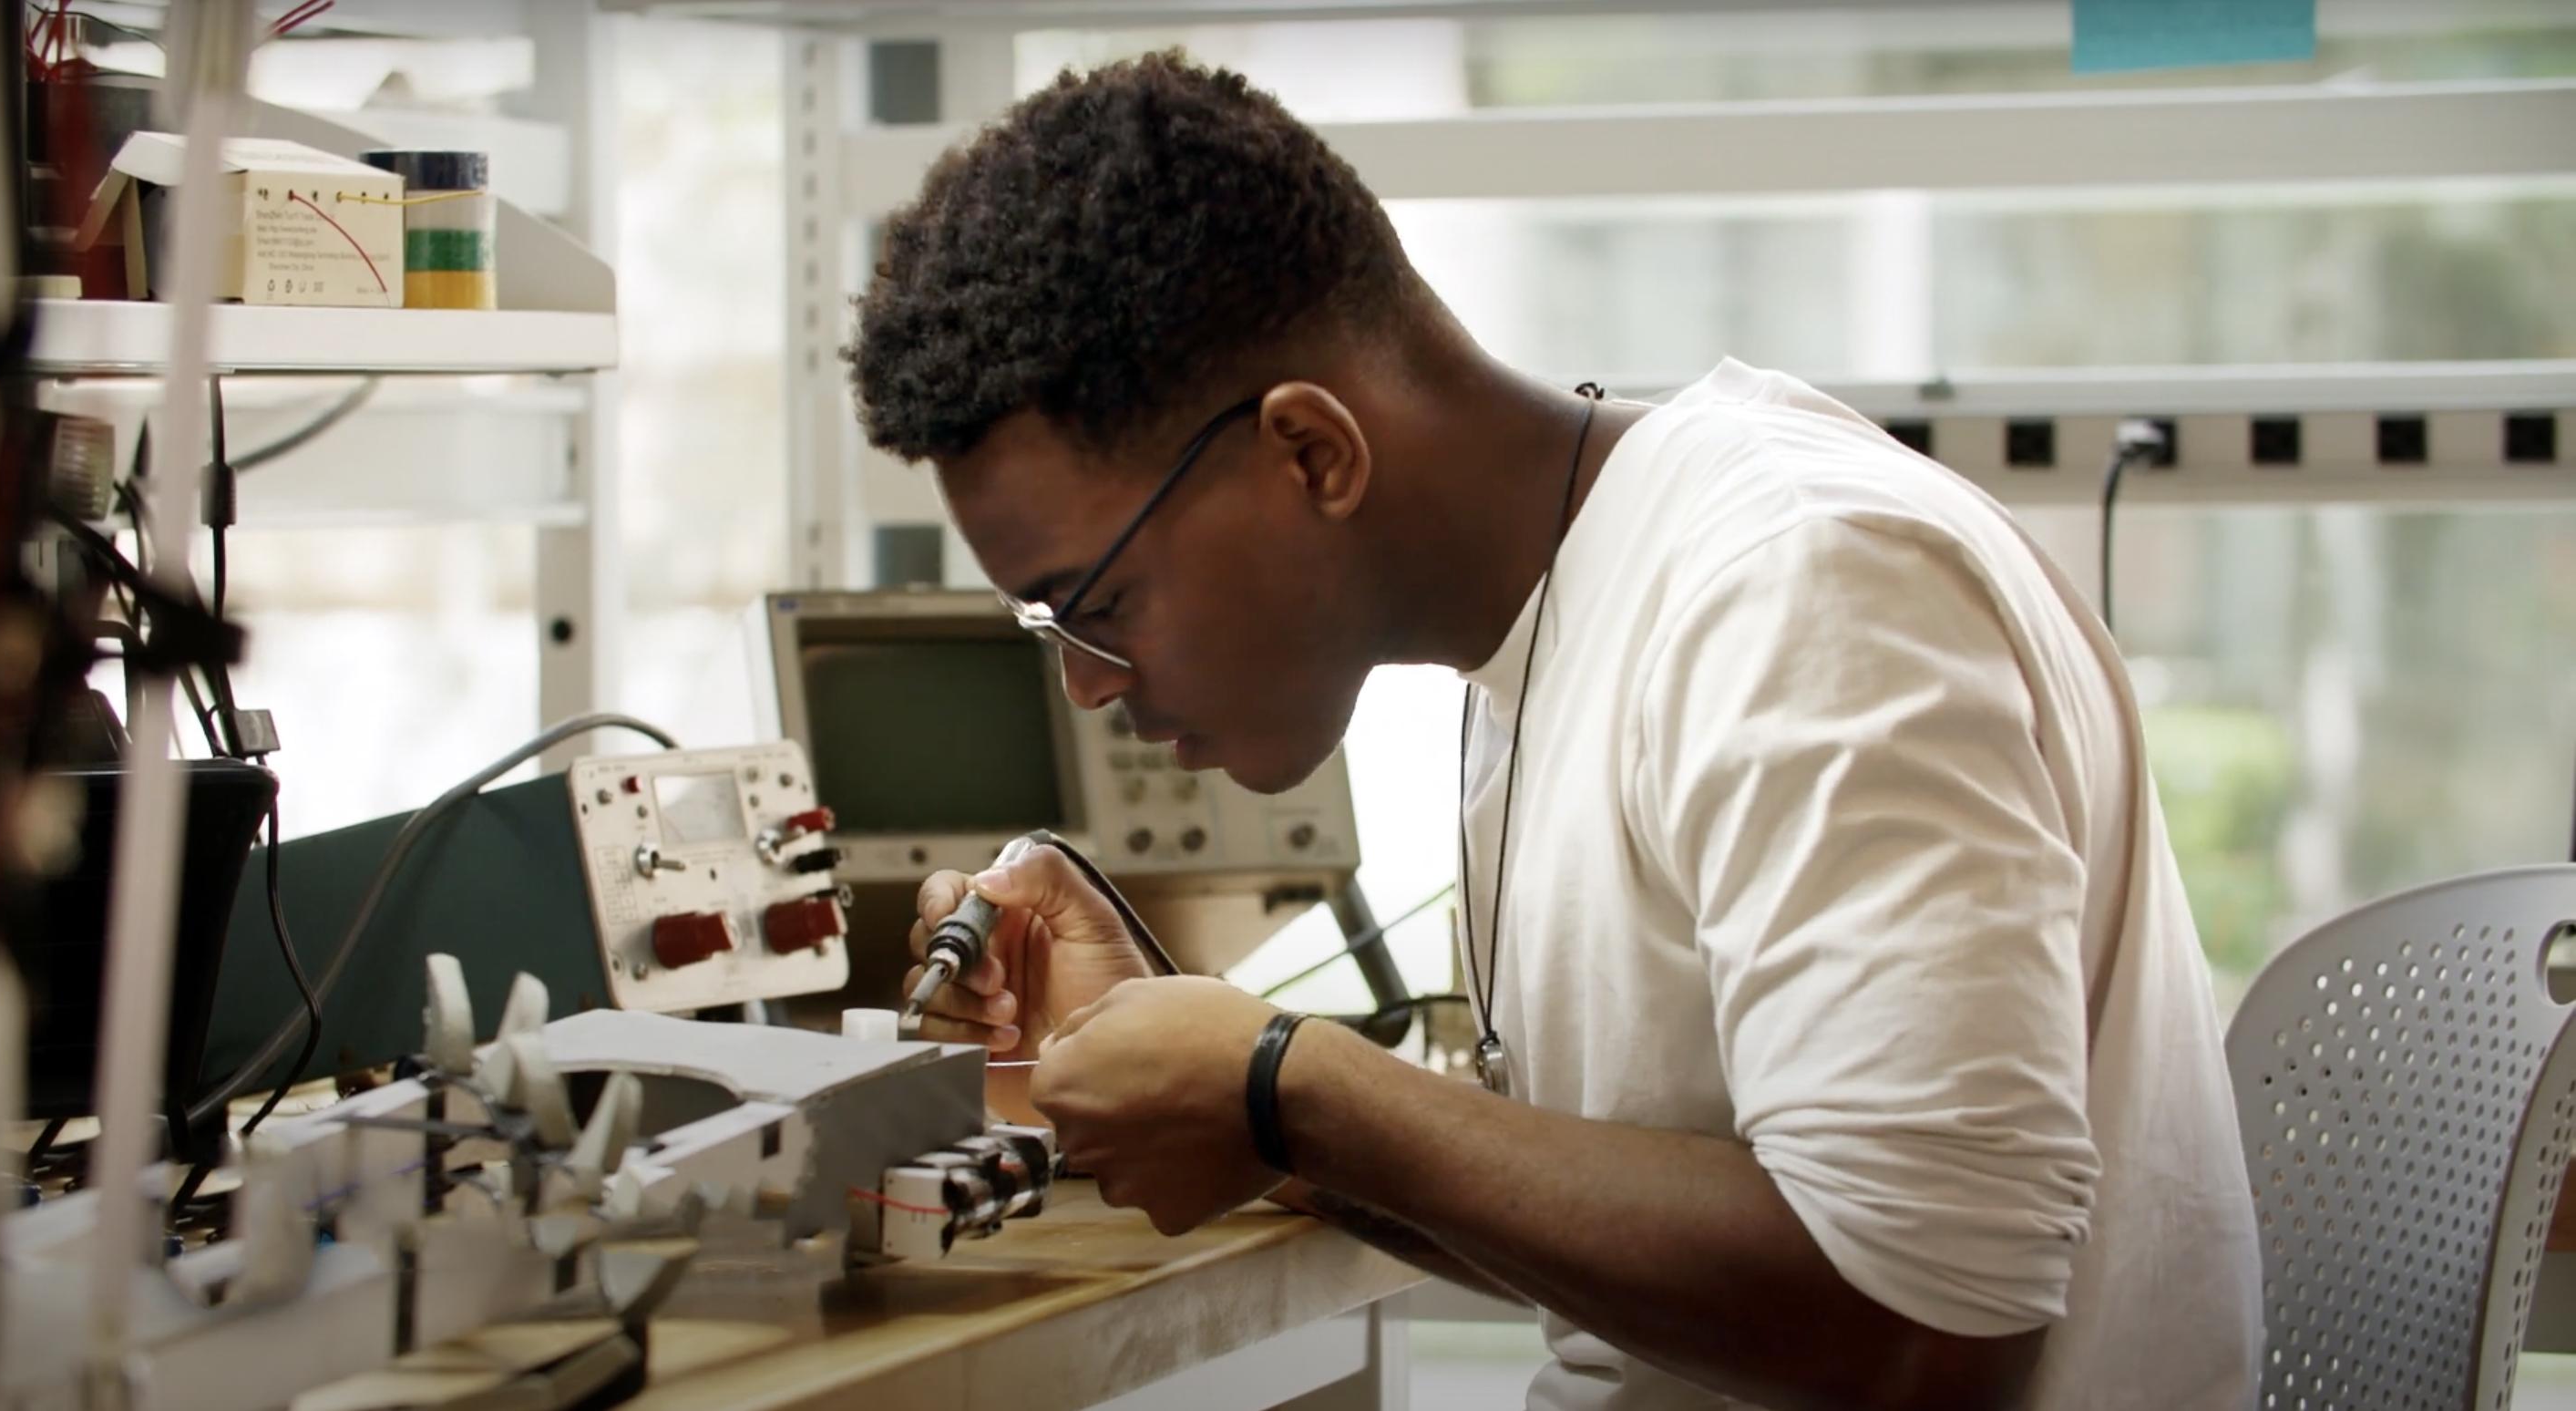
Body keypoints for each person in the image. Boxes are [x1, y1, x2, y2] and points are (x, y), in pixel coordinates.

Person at [843, 50, 2261, 1411]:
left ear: (1310, 451)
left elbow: (1918, 1331)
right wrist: (1230, 1107)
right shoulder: (1560, 624)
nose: (1090, 684)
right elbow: (1625, 1249)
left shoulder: (1793, 584)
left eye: (1089, 602)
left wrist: (1292, 1081)